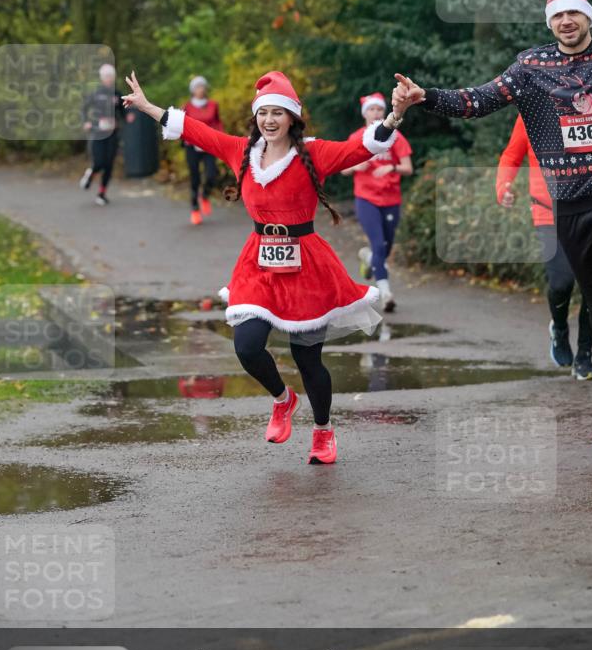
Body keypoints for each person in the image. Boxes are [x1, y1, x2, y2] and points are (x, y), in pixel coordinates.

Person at [392, 0, 592, 460]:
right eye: (558, 14)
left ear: (589, 16)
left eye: (574, 13)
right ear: (550, 22)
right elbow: (478, 100)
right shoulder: (531, 69)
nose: (567, 21)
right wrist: (425, 97)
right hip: (569, 205)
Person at [122, 68, 404, 465]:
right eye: (263, 113)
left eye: (278, 112)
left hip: (306, 265)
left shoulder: (314, 152)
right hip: (259, 262)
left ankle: (323, 433)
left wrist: (393, 117)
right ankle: (282, 400)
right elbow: (196, 131)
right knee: (247, 347)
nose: (269, 120)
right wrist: (148, 106)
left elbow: (360, 148)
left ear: (292, 117)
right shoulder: (242, 151)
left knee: (308, 360)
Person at [497, 113, 592, 379]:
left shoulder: (590, 105)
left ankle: (584, 357)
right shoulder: (531, 112)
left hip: (590, 211)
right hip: (547, 212)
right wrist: (504, 187)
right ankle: (560, 329)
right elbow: (510, 156)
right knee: (561, 282)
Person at [343, 92, 413, 311]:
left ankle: (371, 258)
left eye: (379, 109)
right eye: (372, 110)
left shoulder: (395, 138)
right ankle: (386, 294)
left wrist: (391, 167)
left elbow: (408, 168)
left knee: (386, 246)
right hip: (366, 199)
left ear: (385, 112)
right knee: (379, 243)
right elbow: (342, 168)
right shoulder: (357, 137)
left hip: (391, 199)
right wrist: (355, 166)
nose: (376, 113)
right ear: (365, 114)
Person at [79, 63, 125, 206]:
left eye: (111, 76)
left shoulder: (117, 94)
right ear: (101, 78)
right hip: (98, 134)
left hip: (112, 135)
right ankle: (91, 174)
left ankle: (102, 193)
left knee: (109, 165)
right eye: (106, 76)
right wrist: (86, 122)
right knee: (99, 163)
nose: (109, 79)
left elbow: (124, 112)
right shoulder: (96, 93)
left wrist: (124, 119)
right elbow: (83, 109)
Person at [182, 76, 224, 225]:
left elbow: (218, 123)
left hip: (209, 145)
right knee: (195, 178)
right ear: (192, 90)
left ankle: (205, 196)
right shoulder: (186, 107)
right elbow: (182, 125)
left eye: (202, 87)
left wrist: (221, 139)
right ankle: (194, 209)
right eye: (197, 87)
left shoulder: (213, 105)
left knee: (212, 175)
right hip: (192, 146)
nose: (201, 90)